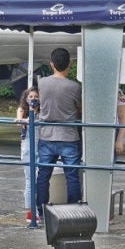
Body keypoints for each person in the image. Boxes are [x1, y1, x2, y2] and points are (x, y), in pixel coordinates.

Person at [35, 48, 83, 212]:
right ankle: (73, 210)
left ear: (51, 64)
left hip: (46, 134)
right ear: (69, 64)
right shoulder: (74, 87)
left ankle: (41, 210)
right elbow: (80, 108)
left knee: (43, 175)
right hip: (68, 134)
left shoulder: (42, 83)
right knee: (72, 175)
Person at [15, 83, 41, 225]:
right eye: (30, 97)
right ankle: (31, 210)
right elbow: (20, 121)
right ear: (25, 99)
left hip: (41, 146)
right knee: (30, 179)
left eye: (36, 96)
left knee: (41, 179)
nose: (33, 99)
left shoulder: (42, 112)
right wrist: (30, 112)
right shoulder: (22, 110)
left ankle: (40, 207)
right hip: (27, 146)